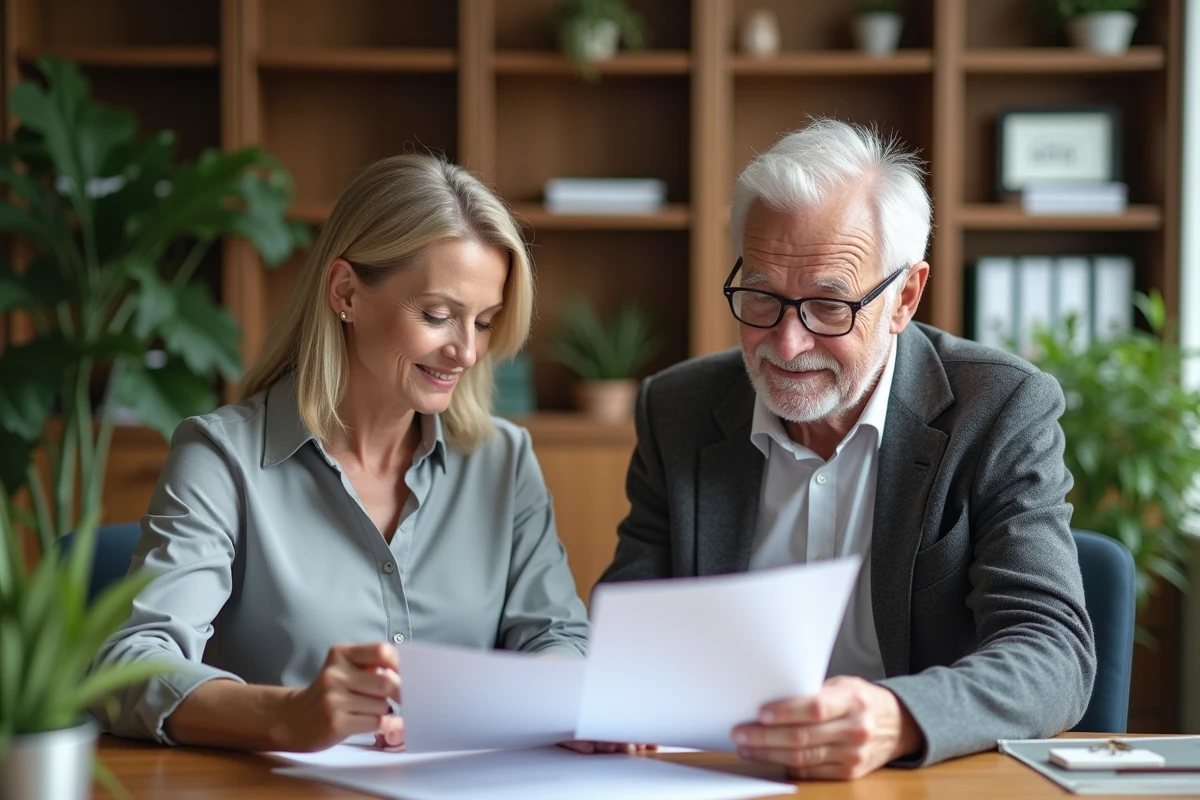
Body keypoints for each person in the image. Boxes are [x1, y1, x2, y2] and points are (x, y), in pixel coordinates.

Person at [599, 119, 1096, 779]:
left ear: (905, 297)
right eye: (761, 297)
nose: (787, 344)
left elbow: (1052, 652)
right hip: (726, 773)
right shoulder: (678, 409)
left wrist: (900, 715)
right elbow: (628, 630)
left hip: (920, 782)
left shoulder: (999, 408)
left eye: (830, 306)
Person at [94, 154, 590, 752]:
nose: (465, 351)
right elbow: (133, 663)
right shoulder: (222, 458)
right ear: (346, 292)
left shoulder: (503, 461)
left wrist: (566, 702)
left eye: (484, 322)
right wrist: (288, 716)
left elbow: (560, 636)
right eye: (438, 316)